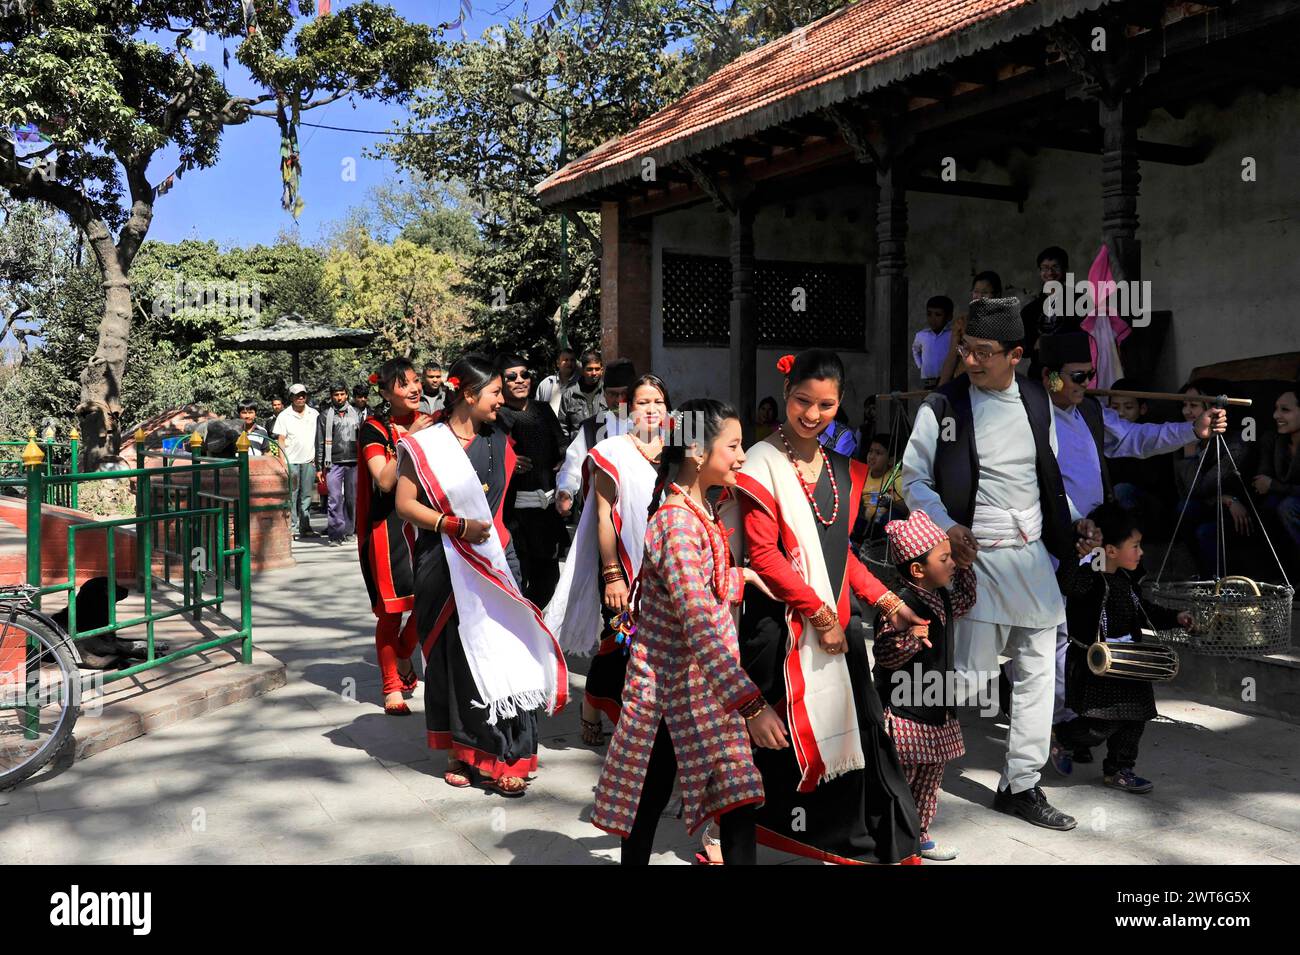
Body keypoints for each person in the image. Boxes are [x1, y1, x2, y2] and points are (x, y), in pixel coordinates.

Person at [901, 297, 1101, 832]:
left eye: (983, 352)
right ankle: (901, 760)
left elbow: (1047, 477)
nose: (969, 360)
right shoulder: (942, 408)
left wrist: (1075, 520)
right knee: (966, 681)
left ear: (1015, 354)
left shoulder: (1038, 402)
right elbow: (913, 479)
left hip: (1032, 559)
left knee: (1037, 675)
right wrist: (948, 526)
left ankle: (1021, 785)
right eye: (966, 349)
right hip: (975, 559)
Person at [725, 349, 925, 864]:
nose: (812, 415)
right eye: (802, 402)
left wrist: (886, 600)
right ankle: (769, 838)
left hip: (839, 628)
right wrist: (821, 617)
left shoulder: (845, 469)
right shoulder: (760, 462)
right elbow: (766, 555)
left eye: (827, 405)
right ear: (787, 396)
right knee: (773, 747)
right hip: (780, 628)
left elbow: (842, 557)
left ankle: (855, 841)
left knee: (860, 732)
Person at [592, 399, 786, 865]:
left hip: (702, 686)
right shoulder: (678, 523)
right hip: (671, 689)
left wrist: (745, 579)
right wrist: (753, 705)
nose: (742, 457)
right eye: (734, 446)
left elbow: (705, 584)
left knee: (731, 797)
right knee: (651, 797)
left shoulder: (699, 511)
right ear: (698, 451)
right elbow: (698, 621)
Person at [1037, 333, 1224, 772]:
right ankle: (1057, 724)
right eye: (1077, 376)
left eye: (1090, 374)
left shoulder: (1087, 411)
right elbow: (1033, 482)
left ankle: (1079, 719)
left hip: (1093, 542)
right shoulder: (1029, 417)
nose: (1086, 382)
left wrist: (1191, 430)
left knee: (1087, 631)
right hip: (1045, 543)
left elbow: (1135, 440)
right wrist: (1069, 522)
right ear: (1048, 378)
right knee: (1051, 636)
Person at [395, 354, 567, 797]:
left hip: (495, 554)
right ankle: (462, 749)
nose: (501, 398)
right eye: (494, 392)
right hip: (446, 556)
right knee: (456, 655)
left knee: (504, 647)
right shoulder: (429, 443)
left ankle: (509, 754)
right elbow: (406, 504)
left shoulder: (501, 434)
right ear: (468, 396)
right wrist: (453, 526)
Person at [546, 373, 668, 744]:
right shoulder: (612, 451)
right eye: (643, 402)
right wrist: (613, 574)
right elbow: (603, 516)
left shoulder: (678, 450)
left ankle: (648, 718)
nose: (651, 409)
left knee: (659, 646)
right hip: (621, 565)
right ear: (628, 409)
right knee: (618, 642)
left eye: (658, 402)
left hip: (665, 564)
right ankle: (593, 707)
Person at [1055, 503, 1193, 793]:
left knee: (1136, 718)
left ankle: (1120, 769)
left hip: (1129, 665)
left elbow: (1144, 611)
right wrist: (1073, 553)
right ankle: (1064, 738)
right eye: (1136, 546)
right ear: (1111, 550)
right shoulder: (1088, 579)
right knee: (1099, 726)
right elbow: (1066, 583)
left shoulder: (1126, 581)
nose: (1141, 552)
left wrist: (1176, 618)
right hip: (1097, 667)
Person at [872, 510, 977, 861]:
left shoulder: (943, 597)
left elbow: (966, 600)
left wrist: (964, 565)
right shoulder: (900, 606)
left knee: (930, 781)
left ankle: (918, 834)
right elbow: (885, 654)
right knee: (901, 780)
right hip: (905, 713)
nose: (950, 563)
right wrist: (911, 640)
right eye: (944, 558)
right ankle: (891, 839)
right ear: (918, 569)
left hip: (937, 707)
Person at [356, 358, 430, 714]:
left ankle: (403, 653)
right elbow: (384, 481)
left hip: (427, 524)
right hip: (388, 530)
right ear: (385, 392)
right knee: (391, 611)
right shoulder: (373, 428)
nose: (414, 388)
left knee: (429, 600)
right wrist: (412, 437)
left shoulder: (434, 423)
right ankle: (391, 687)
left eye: (416, 381)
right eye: (404, 384)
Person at [496, 354, 567, 607]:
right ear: (501, 383)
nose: (520, 380)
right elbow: (489, 457)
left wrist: (563, 461)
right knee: (517, 579)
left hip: (546, 511)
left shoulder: (543, 409)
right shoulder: (497, 416)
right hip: (513, 514)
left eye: (524, 374)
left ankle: (531, 622)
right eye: (511, 377)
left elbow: (561, 445)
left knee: (548, 580)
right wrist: (508, 462)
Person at [1172, 381, 1257, 580]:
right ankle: (1206, 578)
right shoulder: (1184, 439)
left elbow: (1203, 487)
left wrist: (1190, 456)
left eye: (1193, 406)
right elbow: (1185, 492)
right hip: (1212, 505)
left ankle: (1216, 582)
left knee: (1204, 529)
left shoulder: (1236, 444)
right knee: (1185, 508)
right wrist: (1223, 498)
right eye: (1184, 405)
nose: (1187, 412)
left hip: (1237, 513)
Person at [554, 358, 637, 518]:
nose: (619, 400)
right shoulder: (591, 428)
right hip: (601, 512)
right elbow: (572, 467)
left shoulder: (651, 425)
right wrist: (565, 491)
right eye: (613, 394)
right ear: (604, 395)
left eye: (624, 394)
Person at [1106, 378, 1173, 532]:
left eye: (1128, 407)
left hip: (1150, 507)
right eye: (1115, 407)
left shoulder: (1152, 435)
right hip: (1115, 501)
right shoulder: (1105, 435)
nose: (1120, 413)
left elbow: (1153, 481)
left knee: (1122, 490)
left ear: (1142, 409)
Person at [1252, 387, 1300, 564]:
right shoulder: (1273, 439)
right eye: (1276, 409)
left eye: (1285, 410)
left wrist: (1274, 485)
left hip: (1292, 501)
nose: (1276, 415)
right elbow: (1262, 478)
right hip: (1284, 496)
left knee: (1288, 507)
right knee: (1267, 507)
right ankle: (1283, 573)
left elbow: (1270, 483)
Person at [316, 380, 363, 547]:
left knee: (352, 498)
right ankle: (335, 534)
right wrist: (319, 467)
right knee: (334, 498)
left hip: (354, 461)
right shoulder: (324, 416)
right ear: (331, 396)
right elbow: (320, 442)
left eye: (342, 394)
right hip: (333, 462)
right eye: (336, 395)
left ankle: (349, 531)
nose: (339, 397)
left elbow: (362, 439)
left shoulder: (356, 413)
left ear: (347, 394)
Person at [937, 271, 1003, 386]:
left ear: (996, 295)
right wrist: (941, 388)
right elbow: (952, 356)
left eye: (985, 292)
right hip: (965, 383)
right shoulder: (962, 323)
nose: (980, 297)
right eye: (976, 292)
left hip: (992, 385)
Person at [274, 383, 320, 540]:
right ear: (291, 397)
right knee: (292, 495)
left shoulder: (314, 414)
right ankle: (292, 527)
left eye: (303, 395)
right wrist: (283, 462)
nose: (300, 397)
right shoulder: (284, 416)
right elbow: (280, 439)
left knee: (307, 495)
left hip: (309, 460)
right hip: (291, 460)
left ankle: (305, 527)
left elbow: (318, 437)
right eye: (297, 395)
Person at [1021, 246, 1074, 366]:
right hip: (1040, 374)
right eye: (1045, 268)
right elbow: (1022, 349)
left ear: (1065, 269)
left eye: (1055, 267)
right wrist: (1034, 345)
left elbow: (1089, 339)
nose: (1050, 272)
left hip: (1071, 373)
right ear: (1039, 272)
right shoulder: (1030, 310)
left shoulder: (1080, 301)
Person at [850, 433, 906, 547]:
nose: (871, 456)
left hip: (885, 530)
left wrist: (891, 504)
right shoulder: (861, 474)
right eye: (870, 451)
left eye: (878, 453)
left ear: (891, 460)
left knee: (892, 515)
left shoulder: (897, 478)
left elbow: (906, 510)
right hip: (864, 526)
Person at [559, 349, 606, 441]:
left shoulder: (609, 393)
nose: (594, 373)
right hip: (578, 449)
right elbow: (562, 426)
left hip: (603, 449)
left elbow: (621, 419)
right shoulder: (569, 394)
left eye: (597, 369)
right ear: (582, 370)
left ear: (602, 370)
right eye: (589, 369)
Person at [913, 295, 954, 389]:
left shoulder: (952, 335)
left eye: (938, 315)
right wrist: (920, 365)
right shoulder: (921, 335)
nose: (932, 319)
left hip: (948, 380)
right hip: (928, 382)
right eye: (929, 314)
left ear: (949, 317)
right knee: (928, 402)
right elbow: (915, 351)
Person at [535, 347, 577, 417]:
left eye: (572, 360)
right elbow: (536, 410)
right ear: (558, 363)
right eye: (566, 360)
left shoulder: (581, 383)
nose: (569, 363)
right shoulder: (547, 383)